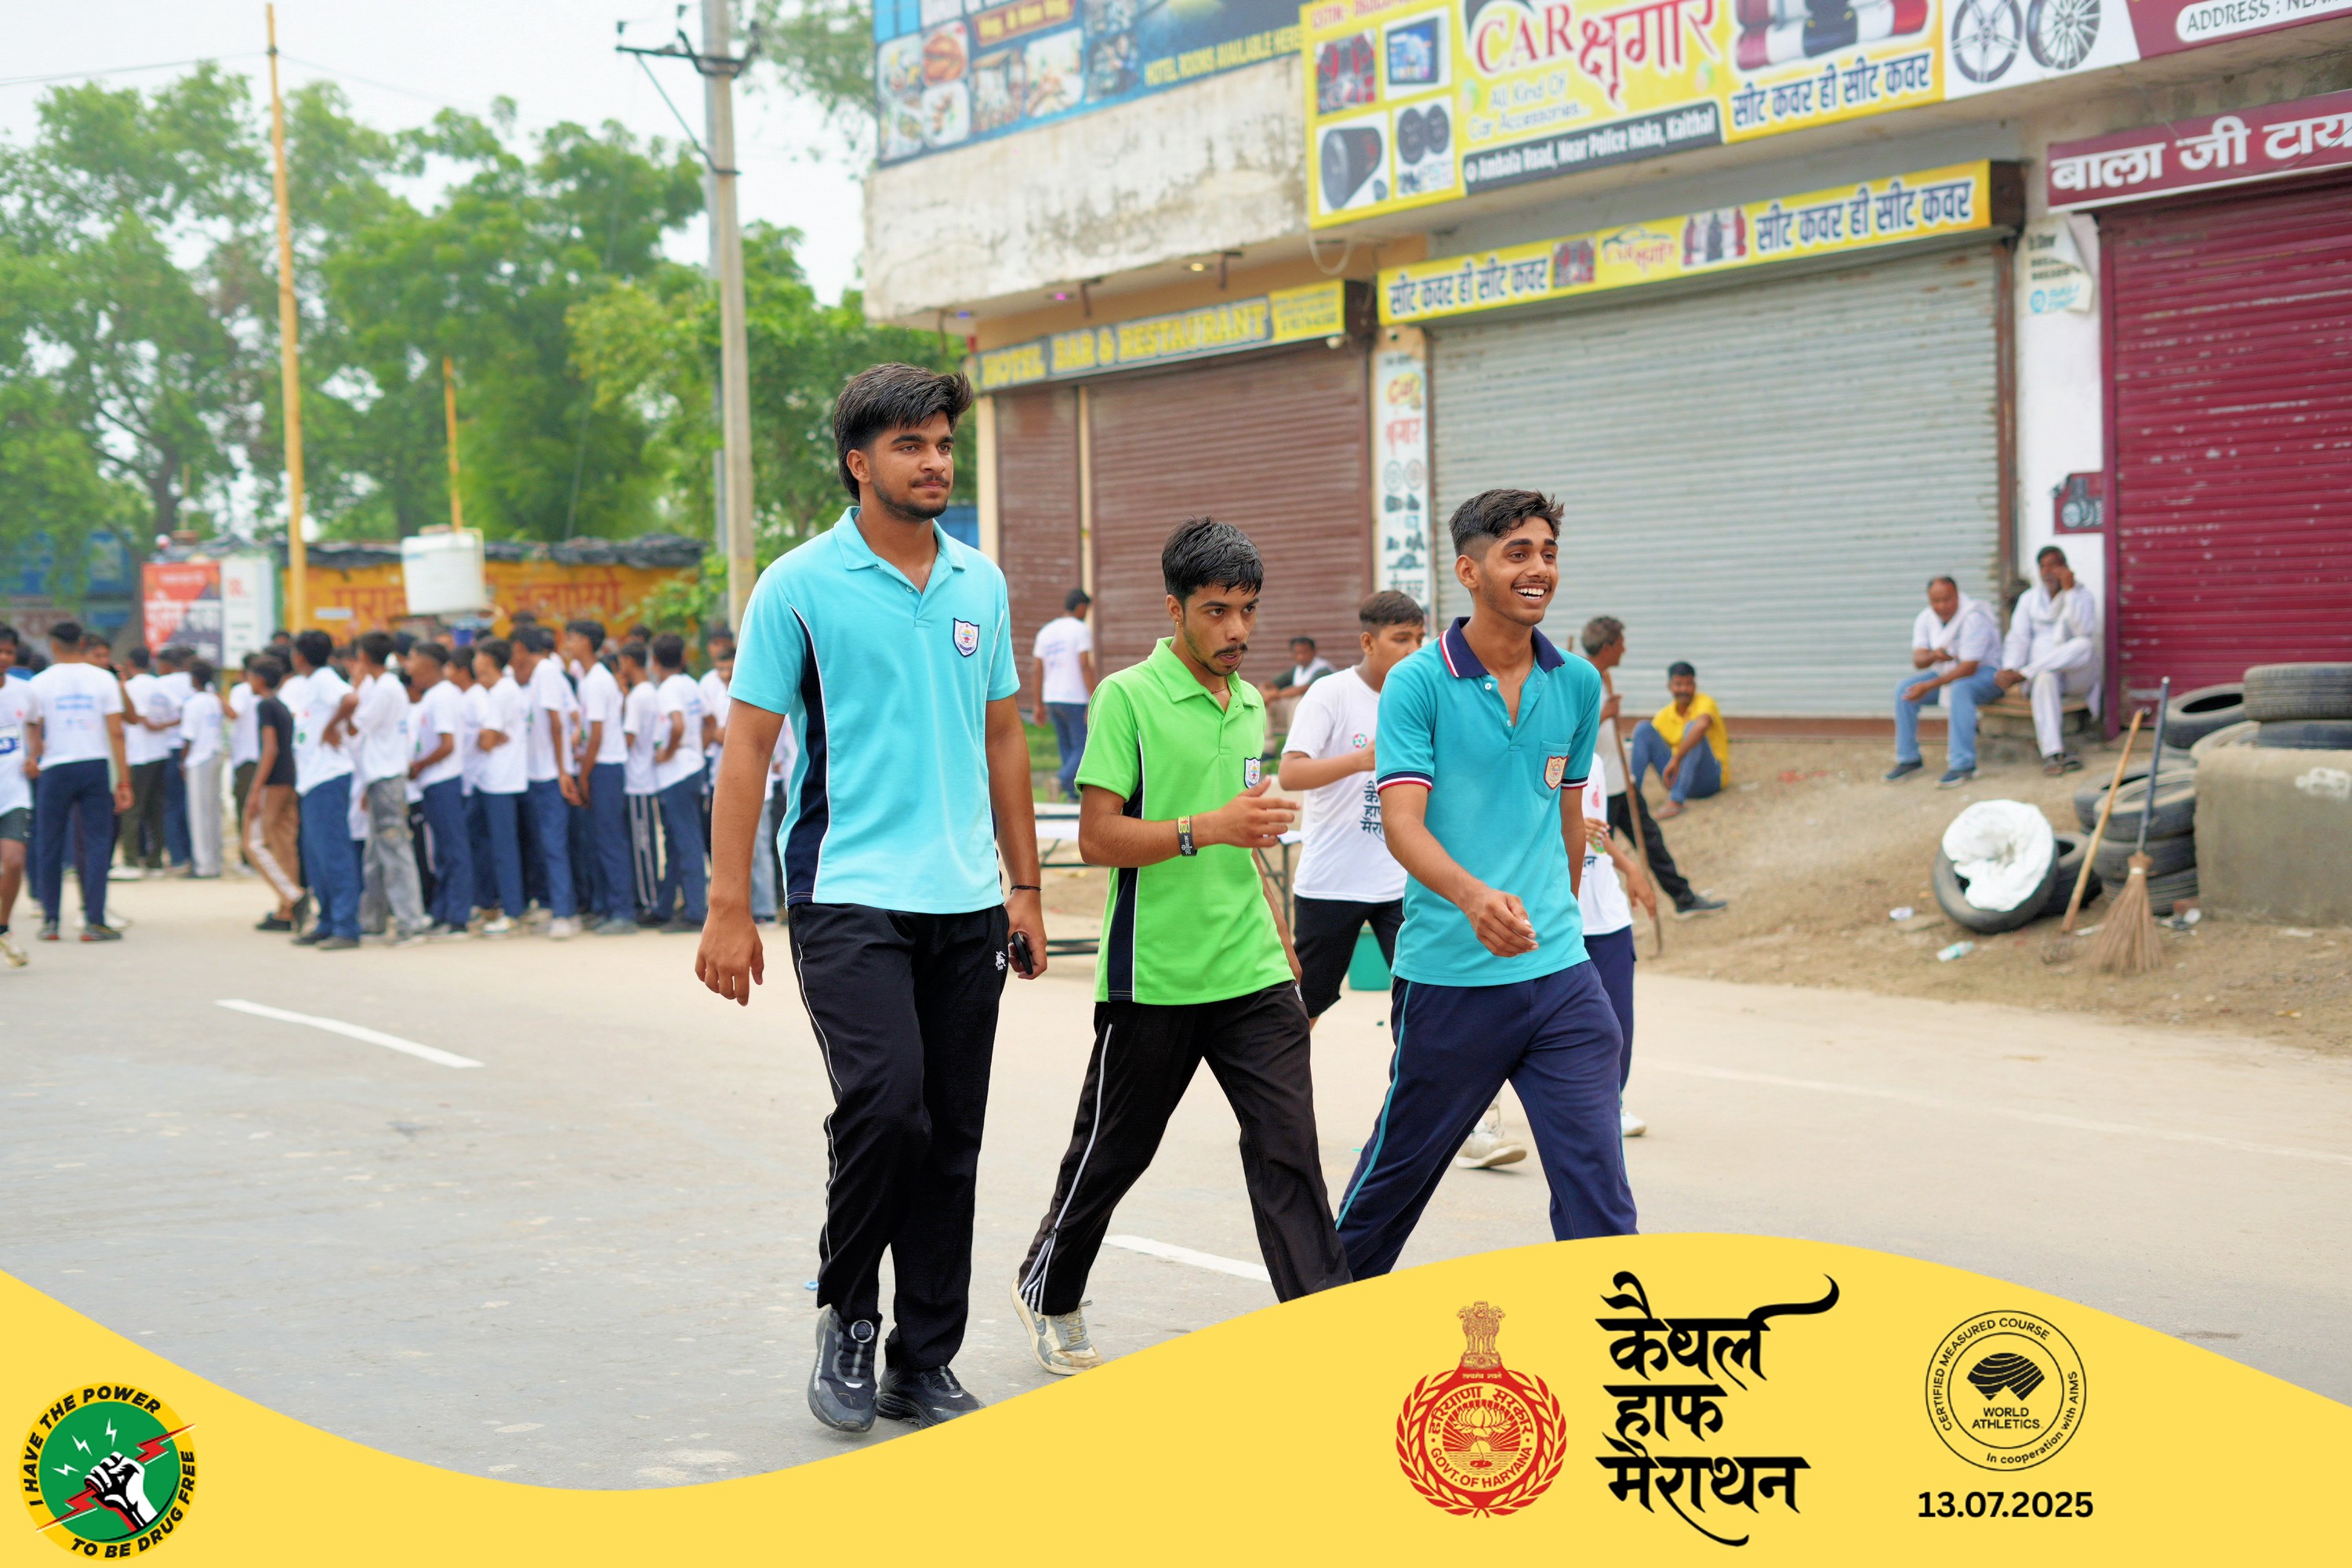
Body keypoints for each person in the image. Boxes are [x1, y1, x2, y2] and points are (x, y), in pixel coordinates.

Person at [695, 361, 1047, 1434]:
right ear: (858, 462)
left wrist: (1025, 886)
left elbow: (1003, 737)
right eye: (911, 446)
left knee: (952, 1135)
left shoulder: (980, 583)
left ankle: (922, 1360)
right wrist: (726, 904)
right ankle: (847, 1313)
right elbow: (748, 747)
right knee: (888, 1107)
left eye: (944, 444)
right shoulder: (798, 585)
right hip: (847, 888)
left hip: (966, 899)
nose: (935, 462)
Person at [1012, 517, 1349, 1377]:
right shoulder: (1126, 698)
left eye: (1248, 611)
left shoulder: (1249, 705)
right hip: (1155, 975)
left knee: (1289, 1150)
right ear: (1175, 609)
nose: (1237, 630)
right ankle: (1050, 1289)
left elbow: (1248, 831)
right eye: (1217, 611)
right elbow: (1098, 836)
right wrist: (1205, 828)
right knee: (1114, 1151)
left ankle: (1328, 1326)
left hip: (1252, 970)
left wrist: (1279, 928)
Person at [1337, 489, 1636, 1280]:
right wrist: (1473, 897)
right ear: (1469, 571)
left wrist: (1561, 921)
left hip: (1560, 974)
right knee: (1393, 1181)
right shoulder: (1418, 683)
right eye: (1518, 553)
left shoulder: (1576, 683)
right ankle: (1319, 1313)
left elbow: (1567, 813)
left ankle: (1611, 1333)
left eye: (1548, 552)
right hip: (1451, 979)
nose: (1539, 568)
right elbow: (1403, 824)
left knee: (1600, 1191)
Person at [1278, 590, 1424, 1029]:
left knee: (1423, 999)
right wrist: (1362, 761)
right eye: (1401, 639)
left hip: (1399, 880)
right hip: (1333, 881)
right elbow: (1290, 773)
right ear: (1368, 642)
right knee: (1308, 1003)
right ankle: (1289, 1074)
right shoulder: (1331, 693)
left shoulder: (1422, 696)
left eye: (1419, 639)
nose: (1414, 649)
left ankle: (1413, 1074)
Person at [1577, 617, 1723, 920]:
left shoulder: (1602, 678)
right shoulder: (1582, 682)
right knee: (1596, 857)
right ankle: (1589, 917)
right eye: (1621, 643)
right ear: (1608, 647)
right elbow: (1571, 736)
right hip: (1601, 792)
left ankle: (1684, 900)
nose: (1625, 649)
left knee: (1652, 843)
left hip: (1622, 783)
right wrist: (1604, 715)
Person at [25, 622, 135, 942]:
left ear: (53, 645)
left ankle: (50, 920)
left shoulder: (40, 682)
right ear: (83, 644)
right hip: (94, 764)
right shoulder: (103, 679)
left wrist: (34, 757)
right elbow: (117, 732)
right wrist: (124, 781)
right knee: (97, 843)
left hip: (55, 767)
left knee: (49, 842)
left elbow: (34, 727)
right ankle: (94, 920)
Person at [1577, 744, 1656, 1137]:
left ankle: (1612, 1103)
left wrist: (1629, 867)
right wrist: (1568, 828)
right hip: (1559, 915)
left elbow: (1596, 832)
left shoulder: (1592, 763)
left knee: (1617, 1021)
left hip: (1607, 915)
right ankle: (1484, 1115)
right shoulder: (1530, 755)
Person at [1886, 575, 2005, 787]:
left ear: (1957, 596)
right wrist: (1934, 655)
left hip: (1987, 676)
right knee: (1905, 689)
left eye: (1947, 600)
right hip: (1947, 673)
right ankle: (1909, 759)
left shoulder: (1973, 617)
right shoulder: (1926, 618)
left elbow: (1969, 668)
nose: (1942, 606)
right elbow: (1919, 660)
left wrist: (1928, 686)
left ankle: (1963, 764)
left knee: (1960, 689)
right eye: (1936, 601)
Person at [348, 633, 429, 945]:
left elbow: (356, 724)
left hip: (386, 775)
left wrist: (356, 685)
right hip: (379, 774)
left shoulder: (384, 688)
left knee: (395, 850)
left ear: (364, 657)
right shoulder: (384, 686)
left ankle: (411, 922)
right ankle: (373, 919)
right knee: (376, 852)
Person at [283, 630, 361, 950]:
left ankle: (346, 926)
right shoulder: (309, 683)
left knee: (333, 853)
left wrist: (331, 727)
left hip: (328, 777)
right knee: (316, 857)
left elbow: (351, 699)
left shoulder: (325, 679)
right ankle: (327, 920)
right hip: (312, 779)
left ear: (299, 656)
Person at [1996, 545, 2100, 775]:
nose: (2048, 572)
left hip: (2075, 677)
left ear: (2065, 568)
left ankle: (2027, 672)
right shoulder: (2029, 599)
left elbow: (2083, 629)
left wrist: (2070, 591)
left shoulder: (2082, 596)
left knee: (2084, 645)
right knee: (2044, 678)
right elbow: (2018, 639)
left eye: (2054, 565)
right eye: (2043, 567)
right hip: (2045, 678)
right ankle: (2052, 754)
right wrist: (2010, 668)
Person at [565, 620, 636, 936]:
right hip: (600, 763)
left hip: (604, 765)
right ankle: (607, 906)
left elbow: (596, 734)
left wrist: (584, 774)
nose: (568, 644)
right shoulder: (591, 678)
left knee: (610, 840)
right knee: (597, 841)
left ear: (585, 641)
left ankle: (622, 911)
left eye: (572, 638)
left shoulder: (595, 680)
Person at [511, 627, 581, 939]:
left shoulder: (546, 672)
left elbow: (556, 722)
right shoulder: (540, 675)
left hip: (551, 774)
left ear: (520, 648)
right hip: (539, 773)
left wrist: (563, 769)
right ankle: (558, 906)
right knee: (546, 845)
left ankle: (564, 914)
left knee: (554, 845)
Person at [405, 641, 472, 938]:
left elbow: (448, 744)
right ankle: (442, 911)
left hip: (445, 780)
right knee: (441, 852)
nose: (409, 666)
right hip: (432, 783)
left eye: (413, 659)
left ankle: (458, 916)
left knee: (454, 850)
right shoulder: (431, 696)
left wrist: (419, 765)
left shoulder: (444, 695)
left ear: (428, 663)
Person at [648, 633, 707, 932]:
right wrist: (697, 749)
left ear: (655, 661)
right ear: (682, 658)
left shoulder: (669, 688)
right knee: (675, 841)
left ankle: (696, 911)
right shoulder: (690, 684)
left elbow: (678, 724)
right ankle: (665, 906)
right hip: (693, 766)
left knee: (686, 841)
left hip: (677, 772)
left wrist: (669, 752)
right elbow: (710, 720)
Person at [469, 639, 527, 938]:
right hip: (491, 779)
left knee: (504, 849)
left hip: (501, 780)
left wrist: (483, 736)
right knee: (489, 845)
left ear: (488, 660)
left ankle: (513, 911)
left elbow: (488, 741)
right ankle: (492, 905)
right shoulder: (498, 690)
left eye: (479, 657)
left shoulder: (503, 691)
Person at [241, 658, 303, 931]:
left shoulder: (265, 706)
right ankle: (286, 910)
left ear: (260, 680)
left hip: (273, 781)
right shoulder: (282, 705)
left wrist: (256, 789)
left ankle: (293, 897)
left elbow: (270, 748)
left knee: (254, 843)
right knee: (284, 843)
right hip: (289, 778)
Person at [1628, 662, 1727, 819]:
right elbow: (1647, 747)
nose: (1684, 689)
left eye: (1689, 684)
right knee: (1643, 729)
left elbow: (1702, 725)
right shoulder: (1664, 716)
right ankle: (1631, 797)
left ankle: (1676, 800)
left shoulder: (1705, 702)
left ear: (1695, 685)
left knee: (1694, 729)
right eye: (1679, 684)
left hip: (1709, 779)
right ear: (1669, 686)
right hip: (1678, 778)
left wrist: (1676, 759)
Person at [1030, 587, 1096, 800]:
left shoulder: (1046, 631)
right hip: (1075, 697)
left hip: (1052, 697)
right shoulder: (1081, 629)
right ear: (1081, 607)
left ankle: (1071, 795)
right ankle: (1060, 781)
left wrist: (1038, 705)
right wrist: (1093, 697)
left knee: (1066, 747)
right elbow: (1084, 664)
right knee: (1083, 746)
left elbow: (1037, 670)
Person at [617, 641, 664, 925]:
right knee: (646, 843)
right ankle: (650, 899)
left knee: (643, 844)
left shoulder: (639, 696)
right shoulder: (649, 692)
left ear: (629, 661)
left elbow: (629, 737)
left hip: (639, 779)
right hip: (647, 776)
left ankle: (649, 902)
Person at [117, 644, 172, 873]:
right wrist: (161, 725)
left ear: (130, 664)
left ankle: (130, 860)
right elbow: (177, 711)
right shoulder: (160, 686)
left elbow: (135, 716)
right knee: (155, 809)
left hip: (138, 754)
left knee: (132, 809)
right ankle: (155, 861)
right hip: (160, 753)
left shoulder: (130, 687)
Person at [0, 624, 33, 964]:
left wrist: (35, 756)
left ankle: (3, 927)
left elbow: (36, 727)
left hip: (13, 793)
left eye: (9, 652)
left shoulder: (24, 692)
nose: (4, 657)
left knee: (14, 862)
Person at [179, 660, 224, 878]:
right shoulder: (214, 700)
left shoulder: (193, 703)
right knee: (213, 812)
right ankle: (215, 862)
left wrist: (182, 761)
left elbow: (188, 737)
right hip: (215, 754)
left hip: (199, 758)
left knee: (198, 815)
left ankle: (203, 865)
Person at [155, 644, 196, 872]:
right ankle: (194, 854)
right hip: (196, 749)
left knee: (171, 805)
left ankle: (178, 857)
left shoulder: (162, 684)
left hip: (170, 748)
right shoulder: (199, 681)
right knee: (192, 804)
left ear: (167, 664)